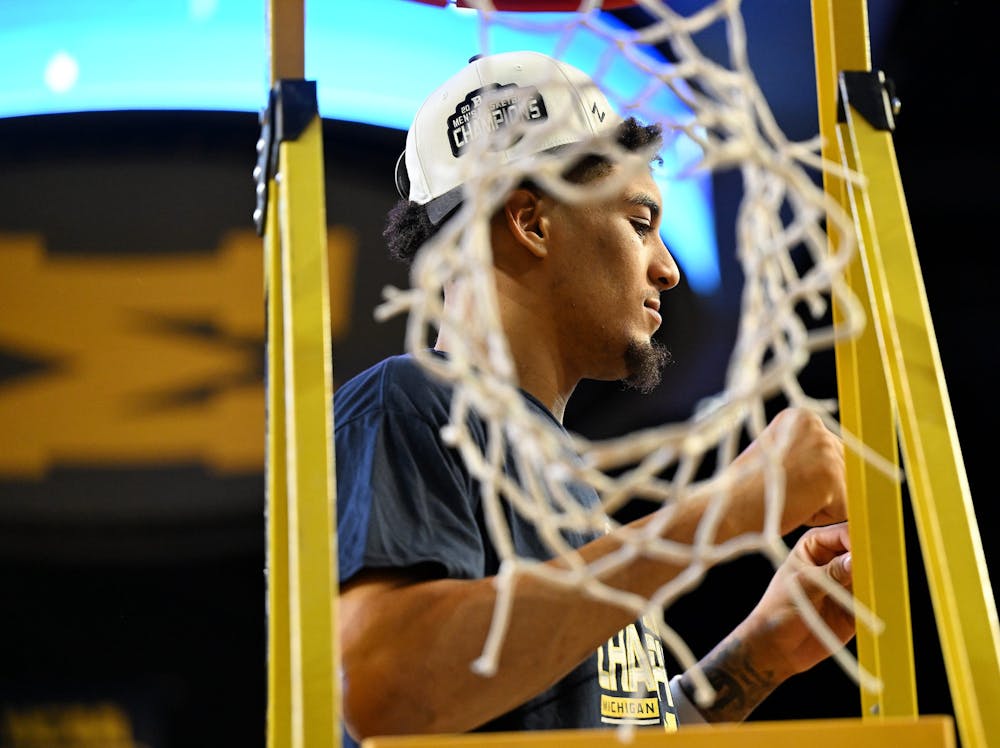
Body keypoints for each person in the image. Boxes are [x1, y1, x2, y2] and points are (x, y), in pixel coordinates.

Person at [334, 50, 854, 747]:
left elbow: (603, 734)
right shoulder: (411, 402)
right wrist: (727, 509)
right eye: (640, 222)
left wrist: (762, 650)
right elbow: (381, 692)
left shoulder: (559, 478)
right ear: (534, 222)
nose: (667, 268)